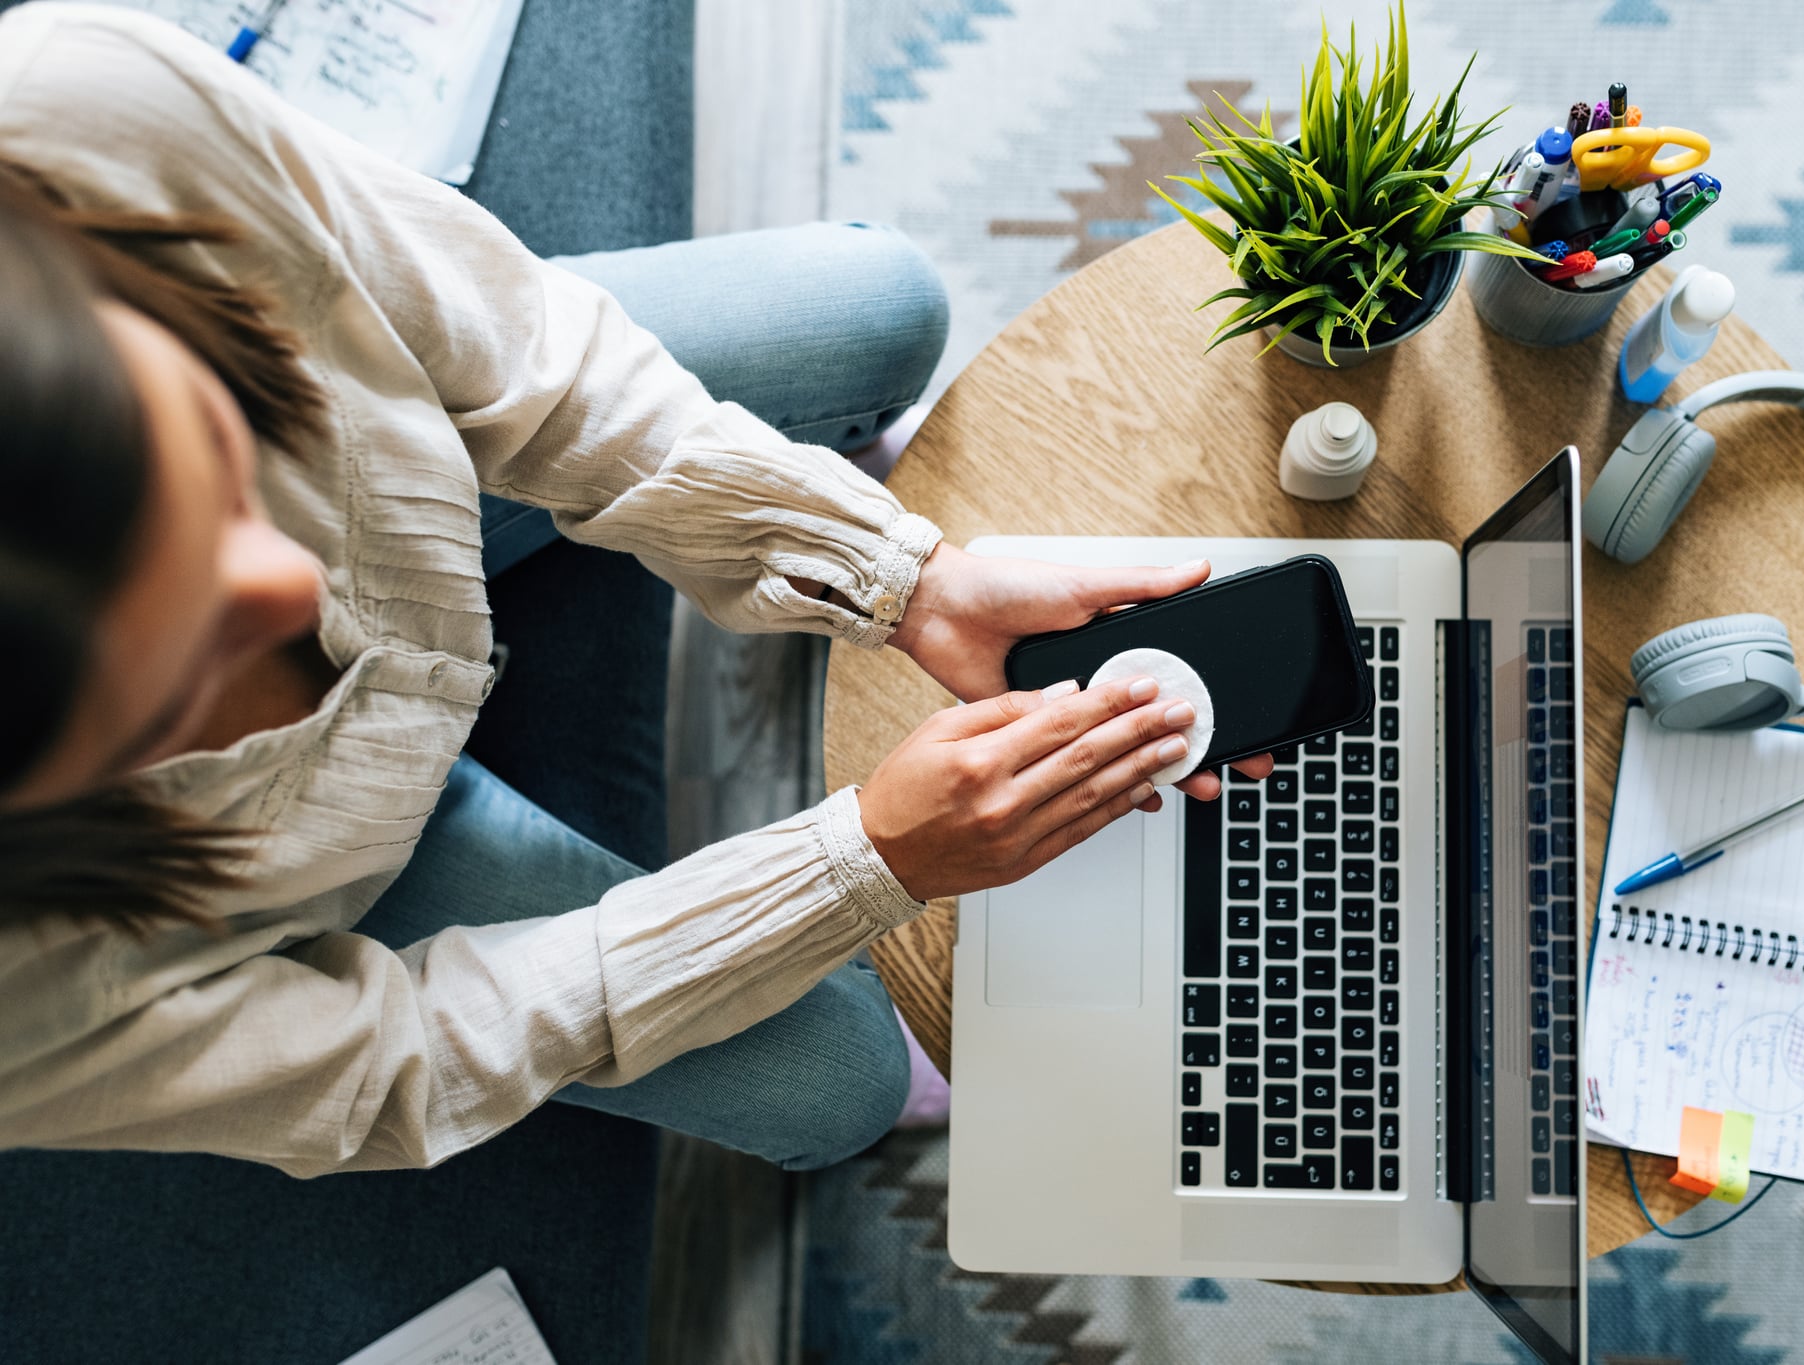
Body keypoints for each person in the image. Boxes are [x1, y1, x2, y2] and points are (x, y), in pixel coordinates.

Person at [0, 5, 1270, 1179]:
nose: (300, 588)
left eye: (223, 462)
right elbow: (401, 1066)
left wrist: (899, 574)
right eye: (184, 677)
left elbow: (522, 360)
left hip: (441, 471)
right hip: (346, 875)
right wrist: (862, 861)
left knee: (874, 303)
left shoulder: (80, 120)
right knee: (841, 1089)